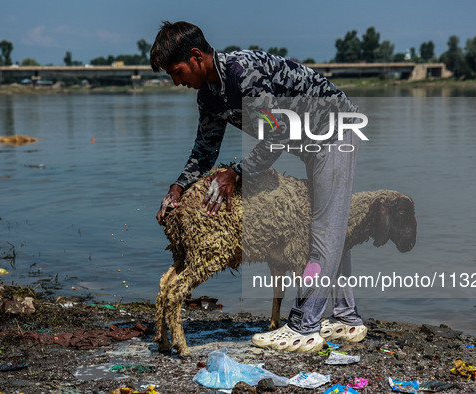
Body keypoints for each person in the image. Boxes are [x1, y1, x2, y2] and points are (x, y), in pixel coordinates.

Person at [151, 21, 367, 352]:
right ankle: (347, 319)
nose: (177, 81)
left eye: (177, 71)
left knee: (322, 230)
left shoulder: (244, 73)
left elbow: (275, 132)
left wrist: (236, 173)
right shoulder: (209, 95)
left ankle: (304, 327)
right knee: (332, 225)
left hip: (333, 131)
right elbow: (205, 150)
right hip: (310, 143)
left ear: (196, 56)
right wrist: (179, 187)